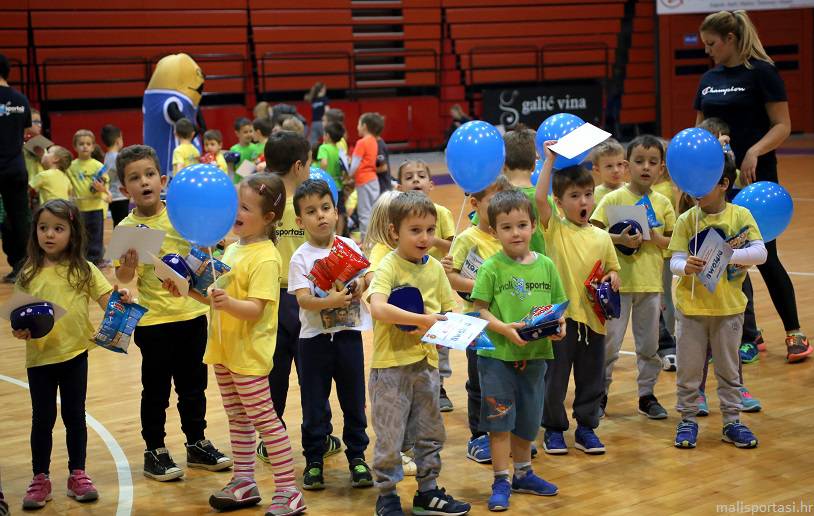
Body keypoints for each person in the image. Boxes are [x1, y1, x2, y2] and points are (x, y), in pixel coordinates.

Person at [164, 173, 307, 515]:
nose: (235, 212)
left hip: (248, 353)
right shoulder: (232, 247)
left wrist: (227, 303)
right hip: (225, 350)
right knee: (237, 418)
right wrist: (188, 291)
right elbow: (216, 299)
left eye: (244, 207)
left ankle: (289, 490)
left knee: (266, 421)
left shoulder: (267, 257)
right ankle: (244, 481)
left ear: (269, 217)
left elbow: (255, 308)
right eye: (234, 205)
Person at [695, 9, 810, 362]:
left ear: (730, 39)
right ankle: (750, 334)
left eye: (711, 43)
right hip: (718, 180)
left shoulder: (763, 73)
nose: (707, 50)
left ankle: (795, 334)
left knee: (765, 256)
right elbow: (699, 129)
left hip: (756, 179)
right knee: (728, 256)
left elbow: (783, 125)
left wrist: (754, 151)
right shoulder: (709, 78)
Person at [115, 144, 232, 481]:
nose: (145, 181)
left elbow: (206, 251)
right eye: (135, 178)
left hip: (192, 316)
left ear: (162, 179)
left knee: (193, 387)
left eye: (150, 174)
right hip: (153, 323)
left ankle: (196, 443)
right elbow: (125, 279)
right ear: (125, 190)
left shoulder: (182, 214)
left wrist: (217, 245)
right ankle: (155, 450)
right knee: (155, 391)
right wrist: (128, 268)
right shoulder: (128, 228)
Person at [13, 199, 131, 509]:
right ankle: (40, 477)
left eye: (58, 228)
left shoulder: (84, 269)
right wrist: (20, 330)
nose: (49, 234)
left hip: (76, 355)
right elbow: (20, 319)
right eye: (43, 228)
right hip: (39, 360)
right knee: (43, 420)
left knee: (75, 417)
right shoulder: (28, 273)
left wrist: (121, 298)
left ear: (72, 234)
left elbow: (109, 300)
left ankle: (77, 474)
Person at [367, 191, 471, 516]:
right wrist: (423, 320)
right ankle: (386, 496)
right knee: (390, 438)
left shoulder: (436, 269)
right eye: (415, 230)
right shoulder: (388, 266)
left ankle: (428, 492)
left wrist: (450, 330)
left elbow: (449, 310)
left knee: (430, 432)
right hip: (390, 370)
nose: (425, 237)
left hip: (426, 369)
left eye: (429, 230)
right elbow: (379, 308)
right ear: (394, 231)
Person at [471, 189, 566, 511]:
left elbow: (558, 307)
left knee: (528, 420)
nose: (516, 232)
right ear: (494, 231)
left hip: (536, 357)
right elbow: (479, 310)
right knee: (499, 422)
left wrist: (560, 324)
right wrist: (505, 330)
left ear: (534, 226)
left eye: (522, 224)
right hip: (497, 359)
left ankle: (523, 474)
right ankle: (500, 479)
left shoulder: (548, 266)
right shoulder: (491, 268)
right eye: (507, 226)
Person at [669, 155, 766, 449]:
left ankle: (732, 422)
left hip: (729, 309)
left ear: (724, 183)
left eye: (705, 181)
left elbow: (760, 253)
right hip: (691, 309)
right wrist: (685, 266)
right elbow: (674, 259)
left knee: (728, 369)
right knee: (688, 369)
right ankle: (687, 419)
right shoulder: (687, 219)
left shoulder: (740, 216)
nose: (696, 188)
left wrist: (727, 256)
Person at [258, 131, 341, 462]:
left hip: (270, 298)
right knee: (315, 373)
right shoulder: (310, 203)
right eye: (308, 163)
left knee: (274, 373)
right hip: (309, 299)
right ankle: (320, 436)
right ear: (298, 165)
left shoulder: (264, 203)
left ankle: (270, 438)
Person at [534, 141, 620, 456]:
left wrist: (613, 278)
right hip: (561, 321)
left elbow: (613, 271)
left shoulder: (601, 236)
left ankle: (586, 428)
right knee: (554, 381)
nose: (583, 201)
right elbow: (539, 197)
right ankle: (554, 429)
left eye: (587, 195)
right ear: (560, 203)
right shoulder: (554, 228)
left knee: (591, 380)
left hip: (594, 320)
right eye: (574, 196)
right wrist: (549, 161)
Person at [288, 179, 374, 490]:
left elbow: (369, 274)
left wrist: (362, 286)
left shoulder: (349, 246)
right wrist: (331, 301)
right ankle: (313, 459)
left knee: (354, 400)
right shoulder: (300, 257)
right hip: (313, 343)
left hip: (349, 337)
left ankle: (358, 457)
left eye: (325, 208)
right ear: (300, 221)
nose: (320, 216)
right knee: (314, 403)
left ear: (336, 212)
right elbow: (302, 300)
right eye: (311, 211)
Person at [591, 135, 675, 419]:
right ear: (628, 166)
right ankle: (598, 395)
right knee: (610, 345)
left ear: (661, 168)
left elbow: (673, 242)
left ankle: (646, 395)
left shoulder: (663, 202)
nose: (646, 168)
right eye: (639, 161)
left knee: (649, 345)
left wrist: (652, 236)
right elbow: (592, 232)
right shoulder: (614, 198)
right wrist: (620, 239)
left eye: (653, 162)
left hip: (650, 284)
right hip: (617, 285)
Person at [443, 176, 511, 464]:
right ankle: (479, 436)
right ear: (475, 203)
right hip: (475, 321)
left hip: (507, 319)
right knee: (479, 380)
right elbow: (452, 276)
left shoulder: (509, 235)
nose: (500, 208)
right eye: (493, 201)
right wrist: (486, 286)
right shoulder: (468, 238)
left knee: (506, 379)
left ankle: (505, 433)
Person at [360, 190, 416, 477]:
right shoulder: (382, 257)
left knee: (408, 403)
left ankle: (404, 450)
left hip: (412, 347)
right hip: (390, 351)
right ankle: (391, 456)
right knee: (390, 408)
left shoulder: (408, 254)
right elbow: (375, 298)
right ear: (390, 224)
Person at [394, 159, 457, 409]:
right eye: (409, 177)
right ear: (399, 188)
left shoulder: (442, 213)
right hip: (409, 290)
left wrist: (433, 240)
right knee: (413, 337)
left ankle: (439, 387)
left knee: (440, 340)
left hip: (437, 286)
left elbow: (455, 246)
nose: (416, 180)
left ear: (431, 184)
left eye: (421, 176)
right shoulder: (398, 219)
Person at [471, 127, 546, 255]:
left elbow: (475, 231)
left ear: (502, 164)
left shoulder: (492, 197)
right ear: (534, 166)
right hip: (536, 266)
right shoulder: (544, 199)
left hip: (501, 265)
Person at [0, 53, 34, 283]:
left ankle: (18, 264)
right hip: (15, 168)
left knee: (13, 219)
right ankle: (22, 266)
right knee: (20, 218)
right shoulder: (21, 99)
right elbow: (26, 134)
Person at [67, 129, 109, 267]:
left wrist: (100, 188)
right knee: (80, 235)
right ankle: (82, 258)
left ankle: (97, 259)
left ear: (93, 146)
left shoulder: (99, 166)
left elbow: (105, 186)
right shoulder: (71, 166)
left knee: (96, 235)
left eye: (88, 144)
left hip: (96, 207)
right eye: (81, 144)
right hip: (79, 208)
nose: (85, 146)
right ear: (75, 146)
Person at [350, 113, 383, 239]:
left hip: (363, 180)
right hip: (373, 180)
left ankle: (366, 242)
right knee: (374, 212)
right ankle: (376, 239)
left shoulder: (361, 142)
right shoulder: (374, 141)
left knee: (364, 213)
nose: (357, 127)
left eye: (358, 124)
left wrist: (348, 175)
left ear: (364, 126)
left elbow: (354, 165)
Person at [100, 124, 128, 227]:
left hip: (112, 196)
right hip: (120, 196)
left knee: (118, 224)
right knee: (122, 225)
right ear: (118, 140)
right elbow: (124, 175)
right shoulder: (118, 157)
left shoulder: (106, 156)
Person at [590, 138, 626, 208]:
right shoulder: (592, 196)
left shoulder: (634, 191)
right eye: (609, 166)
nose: (616, 170)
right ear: (597, 170)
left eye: (619, 164)